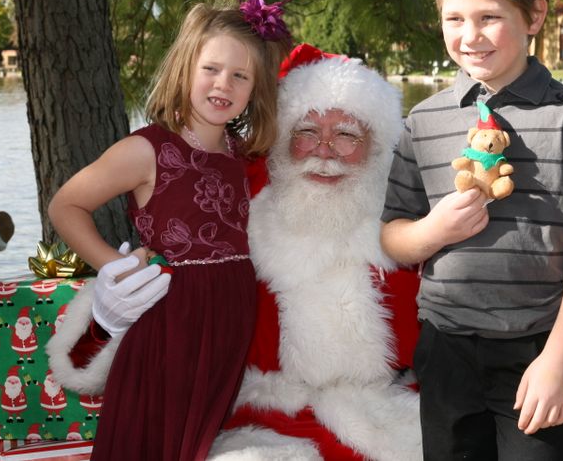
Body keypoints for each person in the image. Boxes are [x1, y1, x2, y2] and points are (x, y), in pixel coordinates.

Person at [49, 45, 421, 460]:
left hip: (387, 416)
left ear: (377, 146)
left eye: (347, 134)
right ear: (282, 142)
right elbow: (88, 360)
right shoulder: (239, 219)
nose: (325, 150)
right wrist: (106, 323)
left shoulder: (407, 232)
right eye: (307, 133)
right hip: (258, 420)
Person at [380, 0, 563, 460]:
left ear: (534, 16)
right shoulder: (423, 121)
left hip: (537, 346)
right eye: (455, 19)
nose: (470, 36)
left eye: (490, 17)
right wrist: (433, 231)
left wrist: (560, 359)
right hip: (446, 348)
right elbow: (393, 236)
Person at [47, 0, 292, 460]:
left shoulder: (242, 155)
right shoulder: (147, 148)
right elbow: (65, 205)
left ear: (255, 90)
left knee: (201, 443)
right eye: (212, 69)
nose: (224, 84)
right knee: (157, 442)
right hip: (169, 321)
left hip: (229, 320)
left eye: (241, 76)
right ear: (185, 69)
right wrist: (112, 269)